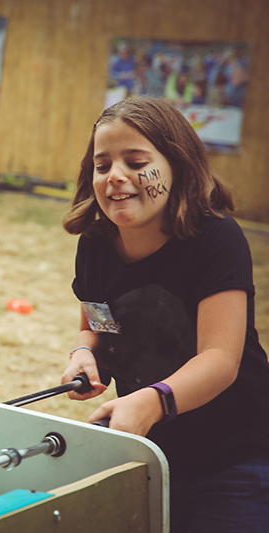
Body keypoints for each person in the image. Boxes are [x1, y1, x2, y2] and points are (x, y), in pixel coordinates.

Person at [60, 96, 269, 531]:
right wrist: (84, 353)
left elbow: (220, 360)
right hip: (148, 452)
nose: (116, 176)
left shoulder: (217, 238)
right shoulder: (95, 244)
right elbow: (97, 323)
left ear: (178, 165)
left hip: (237, 458)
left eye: (136, 161)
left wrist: (153, 401)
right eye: (102, 166)